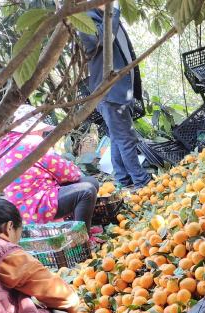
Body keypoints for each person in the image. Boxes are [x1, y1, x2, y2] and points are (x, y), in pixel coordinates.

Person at [0, 104, 100, 234]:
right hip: (36, 206)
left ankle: (77, 227)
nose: (41, 132)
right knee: (87, 191)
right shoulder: (33, 143)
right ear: (33, 129)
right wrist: (76, 173)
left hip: (22, 208)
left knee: (90, 182)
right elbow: (68, 172)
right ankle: (81, 237)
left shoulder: (6, 146)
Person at [79, 5, 150, 190]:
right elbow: (99, 41)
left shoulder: (105, 15)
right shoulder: (87, 17)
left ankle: (123, 179)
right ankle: (141, 181)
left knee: (119, 138)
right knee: (126, 138)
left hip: (118, 89)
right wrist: (113, 11)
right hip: (109, 91)